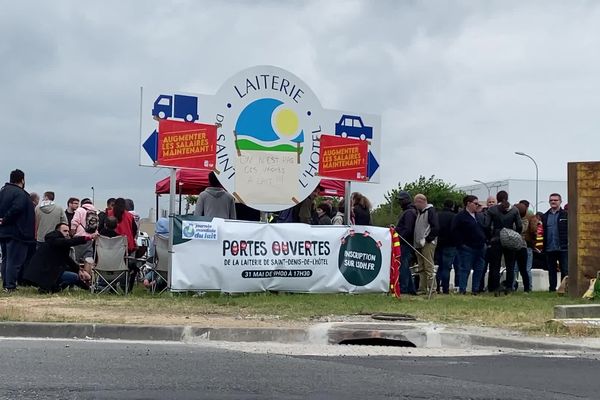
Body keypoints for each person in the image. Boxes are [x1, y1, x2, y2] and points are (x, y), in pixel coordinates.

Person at [23, 223, 96, 293]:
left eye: (68, 231)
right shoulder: (54, 240)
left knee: (74, 274)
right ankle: (52, 288)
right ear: (57, 231)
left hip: (45, 273)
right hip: (44, 274)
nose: (67, 233)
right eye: (64, 231)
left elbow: (67, 259)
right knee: (74, 277)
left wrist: (79, 270)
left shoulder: (56, 243)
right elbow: (69, 242)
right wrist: (88, 237)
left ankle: (86, 287)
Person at [0, 169, 35, 292]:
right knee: (14, 261)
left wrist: (2, 221)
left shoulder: (2, 191)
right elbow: (17, 208)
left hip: (3, 232)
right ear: (22, 180)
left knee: (6, 259)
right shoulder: (20, 194)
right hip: (18, 232)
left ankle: (6, 283)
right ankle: (10, 286)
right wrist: (5, 219)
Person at [486, 190, 522, 295]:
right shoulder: (514, 210)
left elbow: (487, 225)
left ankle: (495, 288)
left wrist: (490, 236)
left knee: (495, 265)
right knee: (510, 265)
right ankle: (509, 287)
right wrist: (514, 234)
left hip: (496, 239)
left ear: (497, 198)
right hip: (510, 238)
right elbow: (519, 226)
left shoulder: (492, 210)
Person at [452, 195, 487, 294]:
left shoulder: (479, 216)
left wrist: (485, 241)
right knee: (465, 269)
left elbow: (485, 229)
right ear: (468, 203)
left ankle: (475, 289)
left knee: (479, 269)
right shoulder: (460, 217)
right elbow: (454, 231)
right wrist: (461, 244)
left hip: (480, 247)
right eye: (475, 203)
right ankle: (462, 289)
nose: (477, 206)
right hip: (467, 248)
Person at [541, 193, 568, 292]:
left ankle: (563, 288)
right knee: (551, 270)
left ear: (560, 201)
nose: (553, 202)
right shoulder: (545, 216)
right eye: (551, 200)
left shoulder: (566, 215)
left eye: (555, 200)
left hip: (563, 247)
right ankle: (552, 289)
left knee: (564, 269)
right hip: (549, 248)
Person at [413, 194, 439, 295]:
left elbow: (435, 227)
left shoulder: (430, 211)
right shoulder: (419, 213)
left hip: (427, 243)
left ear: (422, 201)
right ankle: (422, 288)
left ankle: (432, 289)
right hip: (418, 244)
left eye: (417, 202)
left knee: (429, 266)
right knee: (421, 267)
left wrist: (427, 239)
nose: (415, 205)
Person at [395, 191, 417, 295]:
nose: (400, 202)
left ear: (407, 200)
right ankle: (410, 288)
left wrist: (399, 237)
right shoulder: (409, 211)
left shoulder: (409, 212)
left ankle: (404, 287)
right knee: (405, 265)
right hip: (405, 242)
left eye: (401, 200)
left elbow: (408, 229)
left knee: (403, 265)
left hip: (405, 242)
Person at [436, 199, 458, 294]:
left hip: (438, 244)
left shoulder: (437, 215)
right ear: (452, 206)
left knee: (440, 267)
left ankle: (437, 287)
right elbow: (455, 230)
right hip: (450, 244)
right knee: (446, 268)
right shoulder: (454, 216)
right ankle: (445, 288)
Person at [513, 203, 536, 292]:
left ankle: (527, 287)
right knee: (521, 269)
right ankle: (524, 287)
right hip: (522, 246)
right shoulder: (526, 219)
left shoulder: (524, 221)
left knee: (522, 269)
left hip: (521, 246)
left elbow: (520, 229)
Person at [143, 218, 169, 291]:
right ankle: (154, 282)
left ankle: (147, 280)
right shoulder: (174, 239)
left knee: (153, 266)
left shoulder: (155, 239)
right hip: (174, 270)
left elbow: (151, 254)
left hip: (160, 268)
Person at [70, 198, 98, 262]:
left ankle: (77, 272)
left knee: (75, 258)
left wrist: (73, 233)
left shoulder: (80, 210)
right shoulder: (95, 211)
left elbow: (74, 222)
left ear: (82, 204)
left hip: (79, 238)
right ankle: (88, 272)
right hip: (90, 238)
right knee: (88, 259)